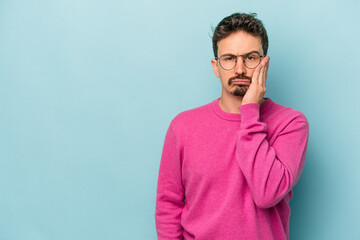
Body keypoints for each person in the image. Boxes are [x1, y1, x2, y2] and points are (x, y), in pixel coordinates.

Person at [155, 12, 309, 240]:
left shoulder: (291, 124)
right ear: (216, 67)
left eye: (250, 58)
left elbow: (267, 194)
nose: (239, 69)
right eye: (229, 59)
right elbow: (168, 206)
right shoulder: (183, 127)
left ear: (264, 63)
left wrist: (249, 112)